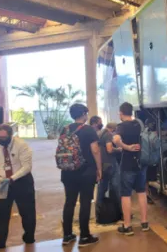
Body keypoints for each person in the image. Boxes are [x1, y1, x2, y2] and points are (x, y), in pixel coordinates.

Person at [0, 124, 36, 250]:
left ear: (10, 135)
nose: (1, 140)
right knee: (2, 213)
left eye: (3, 137)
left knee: (27, 213)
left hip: (22, 180)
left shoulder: (21, 145)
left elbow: (26, 167)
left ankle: (29, 238)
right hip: (4, 183)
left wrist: (12, 178)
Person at [61, 104, 102, 247]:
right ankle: (84, 236)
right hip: (86, 172)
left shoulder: (65, 129)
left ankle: (67, 235)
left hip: (67, 172)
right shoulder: (89, 130)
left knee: (69, 202)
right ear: (84, 114)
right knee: (85, 202)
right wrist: (99, 168)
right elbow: (95, 151)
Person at [113, 102, 149, 235]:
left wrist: (126, 147)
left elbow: (116, 139)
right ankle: (144, 222)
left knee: (126, 194)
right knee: (141, 192)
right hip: (141, 162)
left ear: (121, 113)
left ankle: (127, 226)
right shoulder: (138, 124)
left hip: (128, 164)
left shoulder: (121, 126)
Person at [96, 122, 122, 212]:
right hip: (110, 163)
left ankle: (99, 210)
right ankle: (121, 210)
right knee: (117, 186)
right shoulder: (108, 135)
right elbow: (110, 149)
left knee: (102, 187)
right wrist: (118, 149)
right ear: (113, 129)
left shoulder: (100, 133)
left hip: (102, 163)